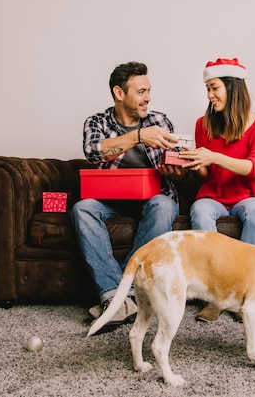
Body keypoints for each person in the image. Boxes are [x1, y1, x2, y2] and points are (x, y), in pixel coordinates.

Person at [72, 61, 185, 331]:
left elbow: (177, 165)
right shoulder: (96, 122)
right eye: (141, 91)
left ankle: (117, 296)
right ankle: (117, 296)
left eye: (149, 90)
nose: (148, 97)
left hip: (153, 197)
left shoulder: (159, 120)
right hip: (109, 198)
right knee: (82, 208)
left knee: (164, 205)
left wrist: (176, 169)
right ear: (119, 93)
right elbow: (93, 151)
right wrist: (138, 136)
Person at [179, 57, 255, 322]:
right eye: (207, 89)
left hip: (247, 195)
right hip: (213, 195)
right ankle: (216, 295)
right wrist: (195, 163)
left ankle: (247, 293)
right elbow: (205, 175)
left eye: (214, 88)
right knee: (199, 209)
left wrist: (213, 156)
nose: (210, 95)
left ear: (232, 88)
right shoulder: (203, 124)